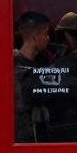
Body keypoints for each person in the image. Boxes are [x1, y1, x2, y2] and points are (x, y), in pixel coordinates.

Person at [15, 11, 52, 143]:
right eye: (45, 33)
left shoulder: (43, 62)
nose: (48, 38)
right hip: (22, 136)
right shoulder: (14, 68)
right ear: (36, 35)